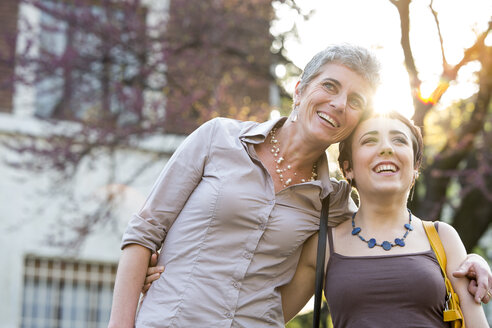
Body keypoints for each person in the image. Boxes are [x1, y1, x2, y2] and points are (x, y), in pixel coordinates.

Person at [109, 44, 491, 327]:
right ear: (299, 90)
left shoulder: (335, 204)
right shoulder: (217, 139)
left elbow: (388, 234)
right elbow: (143, 234)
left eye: (355, 100)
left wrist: (466, 262)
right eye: (329, 86)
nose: (339, 103)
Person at [279, 111, 489, 326]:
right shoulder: (323, 246)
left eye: (399, 140)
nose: (387, 148)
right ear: (347, 168)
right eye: (369, 140)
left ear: (416, 167)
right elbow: (266, 317)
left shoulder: (443, 237)